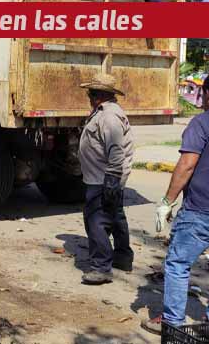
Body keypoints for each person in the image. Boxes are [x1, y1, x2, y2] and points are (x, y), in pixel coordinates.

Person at [142, 72, 209, 335]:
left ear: (207, 93)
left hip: (202, 209)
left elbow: (187, 165)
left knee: (177, 264)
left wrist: (167, 201)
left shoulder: (202, 123)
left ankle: (173, 323)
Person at [78, 73, 135, 285]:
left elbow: (116, 150)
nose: (88, 97)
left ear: (99, 95)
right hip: (104, 177)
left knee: (96, 221)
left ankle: (101, 268)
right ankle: (122, 257)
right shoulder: (104, 113)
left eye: (91, 93)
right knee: (115, 216)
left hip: (102, 179)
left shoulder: (109, 117)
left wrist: (111, 178)